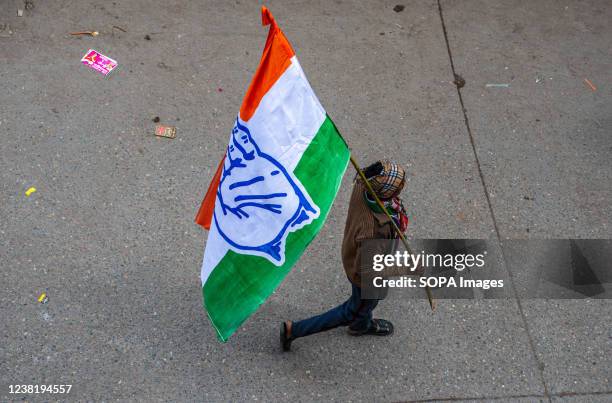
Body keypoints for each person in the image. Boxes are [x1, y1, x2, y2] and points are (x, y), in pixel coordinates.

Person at [281, 160, 418, 351]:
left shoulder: (364, 183)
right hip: (363, 275)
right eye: (398, 187)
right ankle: (294, 330)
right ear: (387, 193)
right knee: (354, 309)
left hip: (354, 252)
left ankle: (361, 324)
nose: (401, 189)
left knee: (370, 301)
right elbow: (369, 270)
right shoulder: (373, 232)